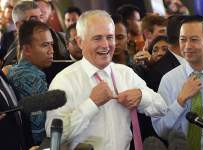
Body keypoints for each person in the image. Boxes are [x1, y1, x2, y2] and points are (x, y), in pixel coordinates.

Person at [45, 10, 167, 150]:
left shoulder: (125, 73)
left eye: (109, 37)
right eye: (97, 38)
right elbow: (55, 135)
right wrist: (91, 104)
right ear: (80, 42)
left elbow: (162, 108)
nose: (105, 45)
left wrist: (141, 96)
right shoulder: (64, 81)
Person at [152, 16, 203, 150]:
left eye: (194, 40)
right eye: (183, 40)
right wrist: (180, 101)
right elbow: (160, 130)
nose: (187, 46)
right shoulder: (169, 79)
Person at [7, 20, 53, 145]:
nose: (51, 51)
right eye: (45, 45)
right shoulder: (32, 78)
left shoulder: (14, 69)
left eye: (51, 44)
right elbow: (39, 133)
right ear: (27, 49)